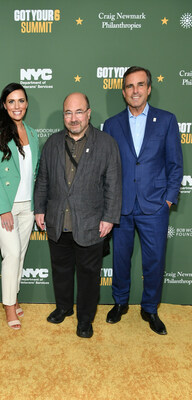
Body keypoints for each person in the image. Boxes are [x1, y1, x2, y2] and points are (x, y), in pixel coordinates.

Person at [34, 92, 122, 338]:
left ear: (89, 113)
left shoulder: (106, 143)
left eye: (79, 112)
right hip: (58, 220)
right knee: (60, 270)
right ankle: (63, 307)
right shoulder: (52, 143)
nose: (73, 118)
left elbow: (113, 184)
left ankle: (85, 319)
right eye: (68, 112)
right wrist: (39, 209)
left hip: (91, 223)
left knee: (89, 276)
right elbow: (43, 180)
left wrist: (109, 217)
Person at [103, 66, 183, 335]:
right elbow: (108, 169)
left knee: (155, 260)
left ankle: (150, 308)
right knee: (120, 259)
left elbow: (175, 164)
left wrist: (169, 200)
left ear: (149, 88)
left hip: (155, 206)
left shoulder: (167, 120)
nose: (134, 90)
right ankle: (120, 303)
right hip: (122, 206)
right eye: (129, 86)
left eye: (140, 85)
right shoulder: (112, 124)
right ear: (123, 91)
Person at [0, 83, 39, 330]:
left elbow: (34, 172)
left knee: (21, 255)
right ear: (4, 105)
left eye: (21, 101)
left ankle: (13, 297)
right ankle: (8, 306)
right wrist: (3, 209)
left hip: (28, 205)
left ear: (26, 104)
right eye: (12, 101)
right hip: (2, 206)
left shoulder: (33, 133)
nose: (17, 106)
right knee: (12, 254)